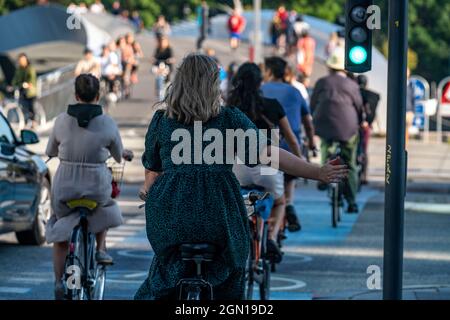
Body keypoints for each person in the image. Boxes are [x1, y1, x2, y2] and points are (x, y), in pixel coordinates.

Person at [135, 53, 348, 300]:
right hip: (219, 212)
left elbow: (152, 166)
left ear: (179, 82)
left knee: (165, 269)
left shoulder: (162, 121)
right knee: (230, 270)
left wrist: (150, 188)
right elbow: (269, 154)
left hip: (171, 213)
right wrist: (317, 172)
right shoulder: (229, 118)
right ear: (213, 84)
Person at [45, 74, 133, 299]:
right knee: (104, 207)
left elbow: (51, 151)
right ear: (98, 95)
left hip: (65, 187)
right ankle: (101, 248)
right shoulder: (107, 122)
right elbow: (117, 155)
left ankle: (58, 283)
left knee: (61, 230)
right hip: (95, 185)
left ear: (75, 95)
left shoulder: (61, 120)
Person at [228, 63, 302, 262]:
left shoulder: (229, 108)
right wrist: (300, 161)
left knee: (236, 201)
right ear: (261, 83)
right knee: (280, 202)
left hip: (238, 168)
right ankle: (270, 238)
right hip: (268, 167)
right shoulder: (272, 105)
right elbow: (292, 139)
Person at [262, 57, 316, 232]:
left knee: (267, 183)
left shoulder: (260, 90)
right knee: (288, 179)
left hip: (265, 147)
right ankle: (290, 204)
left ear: (268, 72)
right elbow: (307, 121)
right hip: (289, 145)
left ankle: (264, 230)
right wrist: (312, 142)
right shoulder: (295, 92)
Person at [310, 47, 364, 213]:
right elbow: (359, 107)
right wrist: (360, 122)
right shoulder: (352, 85)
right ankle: (352, 201)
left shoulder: (322, 82)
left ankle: (323, 174)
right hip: (348, 127)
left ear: (329, 67)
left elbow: (313, 104)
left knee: (326, 147)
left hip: (324, 124)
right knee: (351, 164)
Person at [357, 75, 380, 185]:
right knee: (364, 149)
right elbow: (372, 111)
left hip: (354, 125)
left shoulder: (353, 93)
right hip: (366, 126)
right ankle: (364, 175)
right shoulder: (373, 95)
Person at [11, 53, 37, 127]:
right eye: (20, 60)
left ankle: (34, 122)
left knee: (31, 107)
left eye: (23, 60)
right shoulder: (19, 69)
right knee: (22, 105)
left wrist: (28, 84)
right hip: (22, 90)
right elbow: (15, 79)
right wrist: (12, 85)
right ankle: (26, 121)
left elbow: (32, 79)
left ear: (26, 60)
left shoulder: (30, 68)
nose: (21, 62)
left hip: (31, 91)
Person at [406, 68, 416, 147]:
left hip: (409, 110)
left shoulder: (410, 84)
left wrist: (413, 111)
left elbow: (413, 99)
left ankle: (405, 144)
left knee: (406, 129)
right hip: (400, 110)